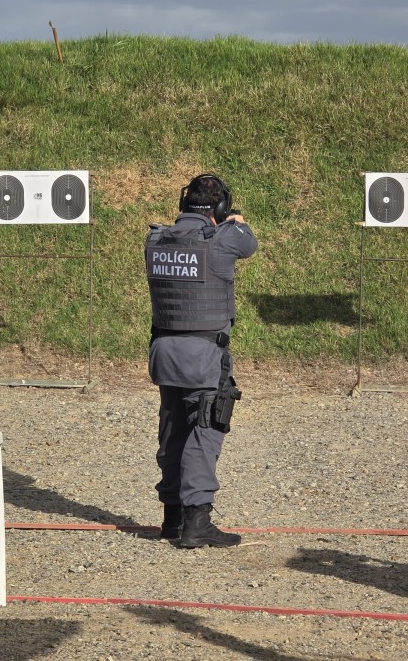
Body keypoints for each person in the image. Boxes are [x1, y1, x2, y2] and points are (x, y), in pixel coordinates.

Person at [145, 173, 257, 548]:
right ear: (220, 208)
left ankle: (172, 518)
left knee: (172, 429)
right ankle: (197, 522)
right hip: (204, 354)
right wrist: (234, 222)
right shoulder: (223, 238)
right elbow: (248, 242)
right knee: (205, 431)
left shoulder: (156, 240)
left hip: (164, 352)